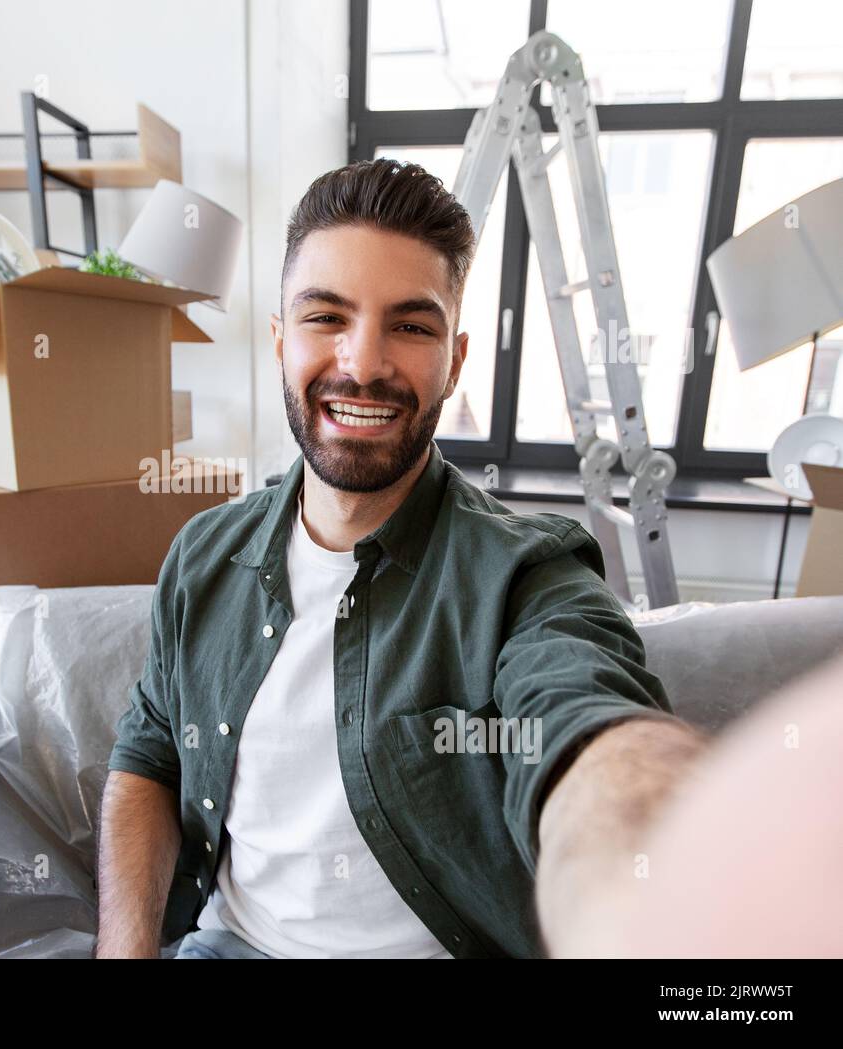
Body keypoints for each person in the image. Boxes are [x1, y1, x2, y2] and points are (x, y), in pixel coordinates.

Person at [94, 158, 706, 959]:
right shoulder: (204, 557)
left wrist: (648, 858)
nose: (362, 363)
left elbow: (581, 723)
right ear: (280, 341)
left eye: (410, 326)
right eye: (326, 318)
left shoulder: (527, 574)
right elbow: (152, 755)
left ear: (454, 359)